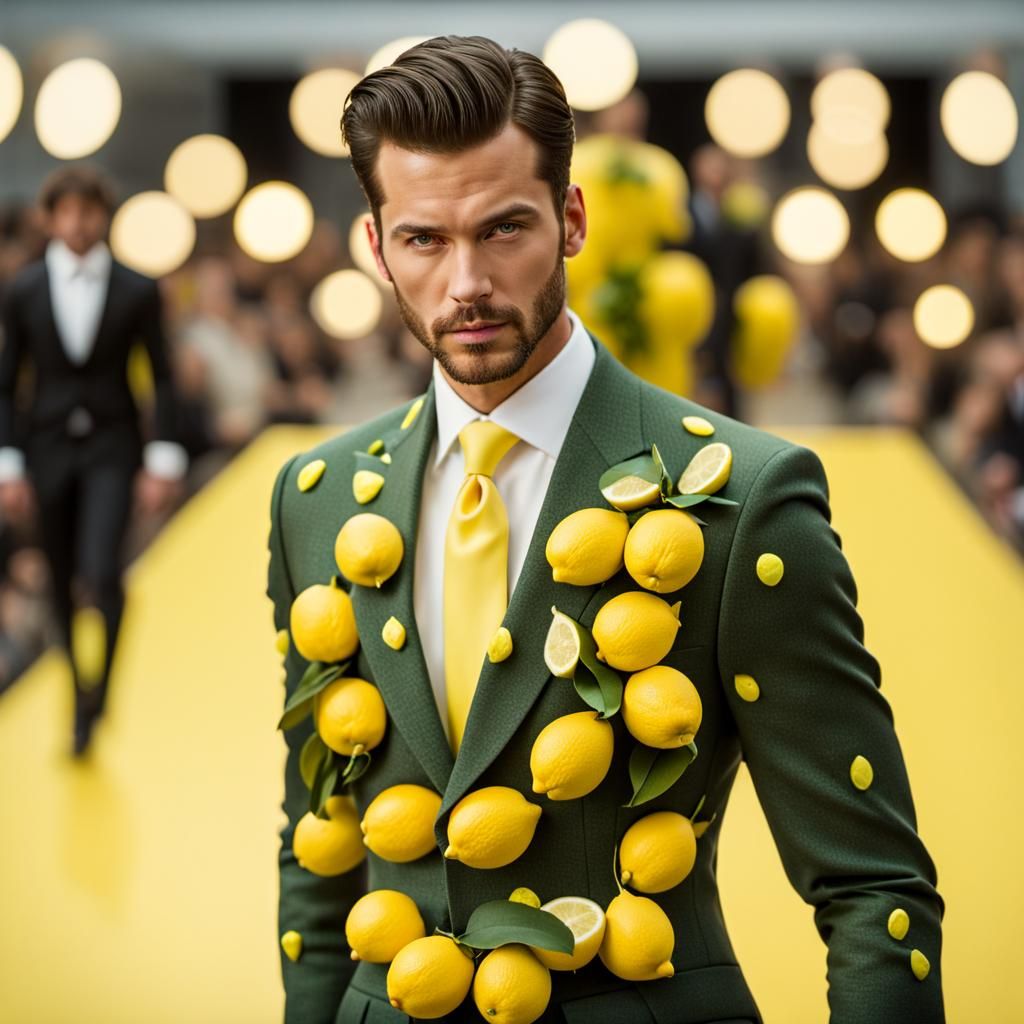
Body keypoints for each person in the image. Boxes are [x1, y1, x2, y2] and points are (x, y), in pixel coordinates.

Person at [266, 36, 944, 1023]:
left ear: (571, 218)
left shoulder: (745, 496)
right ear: (374, 247)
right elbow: (318, 854)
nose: (467, 283)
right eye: (423, 239)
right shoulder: (314, 497)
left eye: (504, 229)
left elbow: (872, 885)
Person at [0, 166, 187, 756]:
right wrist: (8, 465)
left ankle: (99, 689)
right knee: (57, 576)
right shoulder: (23, 290)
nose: (79, 225)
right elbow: (7, 383)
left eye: (89, 212)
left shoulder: (136, 289)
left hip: (113, 444)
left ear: (103, 216)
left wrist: (163, 458)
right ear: (50, 219)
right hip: (47, 447)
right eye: (68, 213)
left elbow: (162, 375)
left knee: (101, 571)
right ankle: (78, 691)